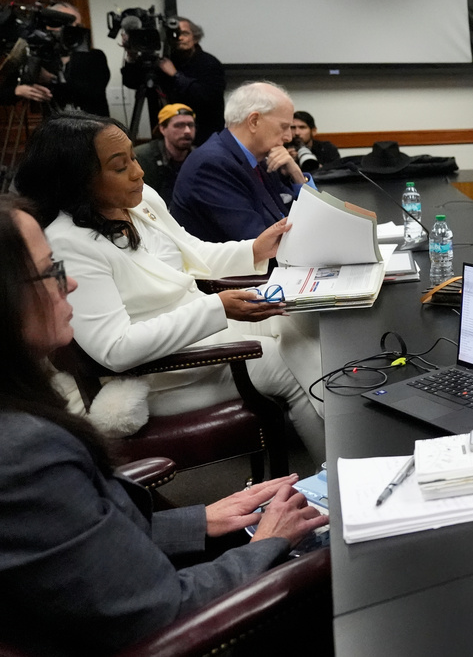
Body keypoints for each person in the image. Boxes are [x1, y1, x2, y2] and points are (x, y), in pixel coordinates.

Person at [0, 194, 328, 655]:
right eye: (51, 271)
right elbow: (161, 613)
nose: (69, 283)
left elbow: (71, 549)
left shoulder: (22, 419)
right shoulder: (26, 454)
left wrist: (199, 519)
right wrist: (268, 546)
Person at [14, 112, 326, 462]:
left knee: (306, 323)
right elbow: (115, 349)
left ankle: (345, 458)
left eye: (134, 156)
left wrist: (254, 248)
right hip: (158, 372)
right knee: (286, 361)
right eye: (120, 167)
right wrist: (216, 308)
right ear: (77, 180)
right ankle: (337, 481)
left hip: (199, 336)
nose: (139, 171)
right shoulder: (69, 242)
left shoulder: (140, 200)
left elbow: (189, 250)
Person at [171, 81, 315, 243]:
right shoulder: (212, 165)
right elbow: (259, 242)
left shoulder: (261, 159)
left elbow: (306, 217)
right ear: (254, 121)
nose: (289, 137)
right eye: (284, 127)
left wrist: (296, 175)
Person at [122, 16, 225, 145]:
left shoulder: (209, 63)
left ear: (195, 37)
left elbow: (206, 97)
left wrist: (175, 75)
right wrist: (131, 56)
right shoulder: (165, 62)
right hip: (170, 138)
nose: (179, 38)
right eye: (174, 34)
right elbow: (132, 82)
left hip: (204, 137)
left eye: (185, 34)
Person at [134, 102, 196, 203]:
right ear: (162, 129)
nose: (187, 131)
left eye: (191, 125)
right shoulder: (143, 158)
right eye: (179, 125)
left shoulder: (200, 158)